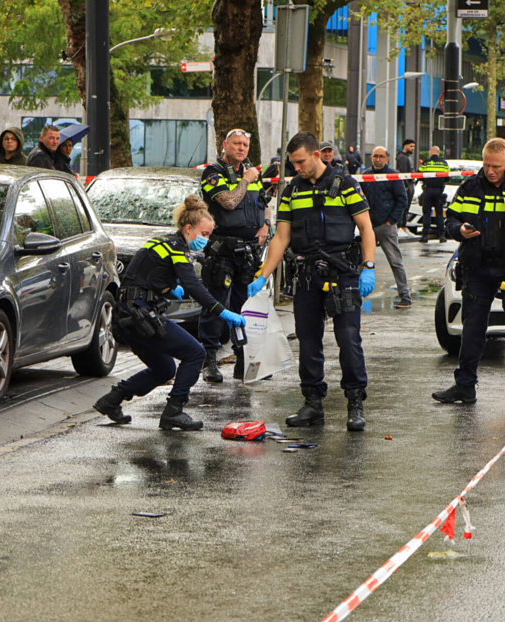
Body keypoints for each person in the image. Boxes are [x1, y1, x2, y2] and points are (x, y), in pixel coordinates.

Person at [248, 132, 377, 431]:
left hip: (341, 271)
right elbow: (282, 235)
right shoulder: (292, 190)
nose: (296, 169)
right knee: (308, 341)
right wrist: (263, 274)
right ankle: (312, 403)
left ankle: (355, 402)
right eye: (292, 163)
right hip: (307, 274)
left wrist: (368, 266)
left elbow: (366, 228)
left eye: (301, 162)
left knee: (348, 339)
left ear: (317, 155)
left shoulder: (346, 184)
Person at [93, 195, 246, 430]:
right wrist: (222, 312)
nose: (206, 240)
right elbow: (194, 286)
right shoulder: (178, 249)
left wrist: (168, 285)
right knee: (195, 353)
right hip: (140, 317)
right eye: (204, 235)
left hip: (127, 317)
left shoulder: (161, 242)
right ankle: (174, 411)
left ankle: (112, 400)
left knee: (164, 369)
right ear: (188, 229)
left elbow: (143, 273)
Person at [431, 137, 505, 410]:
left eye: (496, 166)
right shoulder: (469, 188)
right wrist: (459, 230)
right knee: (472, 329)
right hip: (478, 267)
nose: (490, 171)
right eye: (486, 165)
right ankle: (465, 386)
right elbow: (449, 220)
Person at [198, 129, 270, 383]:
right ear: (224, 145)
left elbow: (264, 201)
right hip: (223, 251)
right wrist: (247, 180)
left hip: (249, 251)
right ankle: (209, 362)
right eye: (237, 144)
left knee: (244, 307)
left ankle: (242, 361)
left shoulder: (250, 171)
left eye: (245, 145)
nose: (241, 148)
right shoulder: (213, 172)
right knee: (215, 305)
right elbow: (228, 202)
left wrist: (266, 225)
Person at [361, 146, 411, 308]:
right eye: (375, 156)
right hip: (368, 226)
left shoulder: (393, 175)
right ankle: (354, 295)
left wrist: (391, 221)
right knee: (360, 261)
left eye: (381, 156)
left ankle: (405, 296)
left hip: (386, 226)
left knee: (395, 262)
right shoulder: (365, 176)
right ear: (371, 158)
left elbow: (402, 200)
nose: (377, 159)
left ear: (387, 158)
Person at [418, 146, 449, 244]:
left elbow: (419, 175)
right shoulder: (444, 164)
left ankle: (425, 235)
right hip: (438, 191)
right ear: (439, 153)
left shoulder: (426, 163)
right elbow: (447, 178)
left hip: (427, 190)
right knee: (439, 214)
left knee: (426, 213)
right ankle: (442, 236)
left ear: (430, 153)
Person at [394, 139, 417, 231]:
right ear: (405, 146)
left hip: (409, 184)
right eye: (411, 146)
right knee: (403, 206)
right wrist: (406, 185)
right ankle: (400, 226)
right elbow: (403, 172)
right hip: (407, 185)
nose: (413, 148)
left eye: (413, 147)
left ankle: (403, 226)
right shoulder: (403, 157)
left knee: (406, 206)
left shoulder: (405, 156)